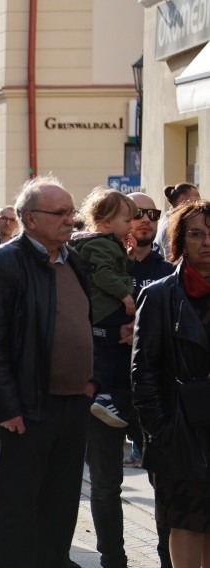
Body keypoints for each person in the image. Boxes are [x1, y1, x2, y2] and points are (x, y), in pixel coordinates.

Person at [0, 175, 96, 567]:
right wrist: (6, 407)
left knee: (61, 503)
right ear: (29, 219)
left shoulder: (74, 261)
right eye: (59, 213)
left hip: (73, 403)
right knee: (18, 504)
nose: (70, 219)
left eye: (71, 211)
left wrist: (90, 383)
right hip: (27, 408)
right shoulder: (3, 264)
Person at [84, 191, 174, 568]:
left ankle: (169, 557)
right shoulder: (95, 256)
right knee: (105, 484)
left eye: (152, 214)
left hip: (153, 391)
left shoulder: (168, 270)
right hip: (103, 390)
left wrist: (143, 328)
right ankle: (113, 559)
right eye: (136, 214)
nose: (145, 220)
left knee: (167, 482)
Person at [133, 199, 210, 568]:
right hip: (180, 431)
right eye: (196, 233)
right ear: (180, 239)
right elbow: (143, 373)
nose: (206, 242)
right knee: (185, 523)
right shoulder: (160, 295)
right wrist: (161, 433)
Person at [70, 188, 137, 428]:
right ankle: (103, 395)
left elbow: (113, 267)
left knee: (112, 353)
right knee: (106, 354)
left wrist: (127, 255)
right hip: (104, 311)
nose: (132, 225)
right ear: (107, 221)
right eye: (127, 220)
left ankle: (108, 395)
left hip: (104, 311)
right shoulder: (101, 245)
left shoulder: (107, 243)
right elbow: (104, 274)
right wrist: (125, 295)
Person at [155, 182, 200, 259]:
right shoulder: (171, 225)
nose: (199, 204)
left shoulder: (166, 219)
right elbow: (172, 261)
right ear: (183, 200)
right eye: (196, 199)